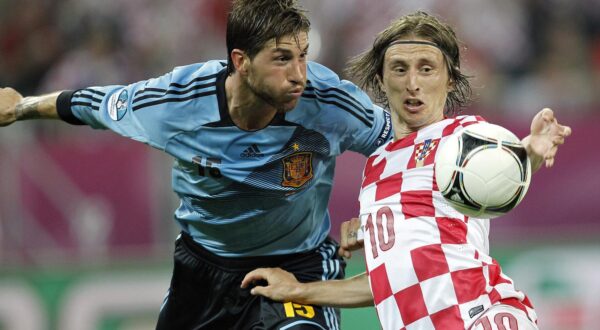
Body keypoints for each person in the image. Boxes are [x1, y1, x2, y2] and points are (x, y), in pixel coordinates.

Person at [0, 1, 394, 329]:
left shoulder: (327, 102)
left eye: (303, 56)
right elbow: (90, 104)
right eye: (282, 59)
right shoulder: (177, 103)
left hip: (298, 263)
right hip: (204, 270)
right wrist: (20, 107)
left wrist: (376, 210)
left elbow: (400, 146)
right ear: (241, 61)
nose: (299, 76)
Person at [241, 11, 572, 330]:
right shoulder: (376, 167)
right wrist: (298, 290)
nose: (413, 83)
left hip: (478, 316)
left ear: (450, 79)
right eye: (399, 69)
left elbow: (498, 166)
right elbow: (389, 284)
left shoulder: (462, 135)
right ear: (382, 81)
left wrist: (529, 150)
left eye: (426, 69)